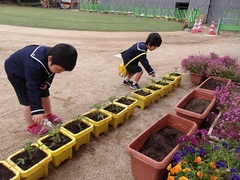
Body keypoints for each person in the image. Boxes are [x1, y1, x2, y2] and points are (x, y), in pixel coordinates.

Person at [4, 43, 78, 136]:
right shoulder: (35, 64)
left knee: (44, 92)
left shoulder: (55, 57)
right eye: (59, 69)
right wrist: (37, 111)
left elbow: (51, 71)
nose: (60, 72)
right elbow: (32, 87)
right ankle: (32, 127)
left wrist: (47, 82)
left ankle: (49, 115)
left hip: (33, 69)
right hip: (17, 71)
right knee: (27, 99)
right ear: (50, 59)